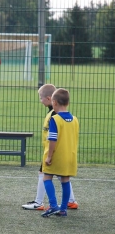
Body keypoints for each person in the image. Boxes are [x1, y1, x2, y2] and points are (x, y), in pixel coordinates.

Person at [22, 84, 79, 211]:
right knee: (61, 176)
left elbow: (54, 136)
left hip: (53, 152)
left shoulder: (55, 114)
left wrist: (49, 154)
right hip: (60, 152)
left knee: (45, 174)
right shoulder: (60, 114)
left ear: (50, 99)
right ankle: (70, 201)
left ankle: (39, 203)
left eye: (41, 98)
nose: (40, 100)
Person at [41, 88, 79, 217]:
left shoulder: (55, 119)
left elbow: (52, 139)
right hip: (70, 156)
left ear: (54, 102)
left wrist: (49, 156)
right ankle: (63, 209)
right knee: (65, 180)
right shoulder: (75, 119)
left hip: (57, 155)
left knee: (46, 177)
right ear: (67, 103)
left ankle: (53, 205)